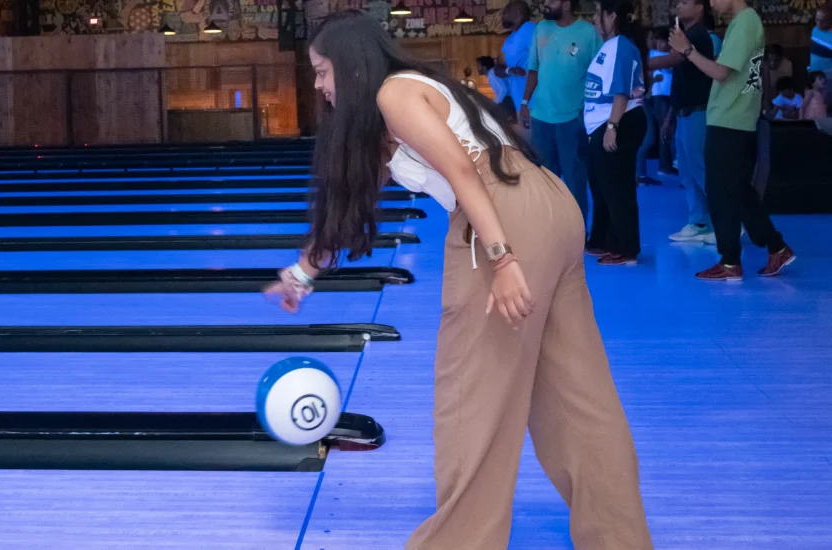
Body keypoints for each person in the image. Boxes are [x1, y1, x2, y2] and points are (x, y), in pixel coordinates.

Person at [265, 9, 653, 549]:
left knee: (471, 403)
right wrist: (301, 274)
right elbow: (355, 207)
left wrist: (502, 258)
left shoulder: (393, 95)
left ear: (351, 68)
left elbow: (461, 171)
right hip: (551, 208)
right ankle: (620, 539)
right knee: (576, 402)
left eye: (322, 70)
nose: (318, 84)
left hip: (502, 222)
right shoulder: (407, 102)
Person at [669, 0, 796, 280]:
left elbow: (722, 72)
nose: (711, 2)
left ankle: (731, 261)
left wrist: (687, 50)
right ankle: (773, 247)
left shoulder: (746, 22)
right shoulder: (743, 23)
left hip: (730, 118)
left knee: (721, 191)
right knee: (735, 189)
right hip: (730, 116)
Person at [520, 0, 603, 222]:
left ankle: (578, 233)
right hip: (541, 117)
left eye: (551, 0)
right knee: (545, 181)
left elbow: (599, 74)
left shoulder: (588, 32)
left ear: (566, 3)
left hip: (573, 119)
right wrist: (524, 102)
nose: (545, 4)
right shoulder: (541, 28)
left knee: (575, 182)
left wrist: (590, 113)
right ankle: (550, 232)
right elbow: (533, 69)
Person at [584, 0, 648, 265]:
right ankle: (608, 241)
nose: (594, 18)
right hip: (603, 124)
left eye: (599, 13)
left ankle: (626, 248)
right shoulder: (609, 46)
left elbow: (620, 91)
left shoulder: (620, 46)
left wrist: (612, 127)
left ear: (611, 17)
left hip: (618, 121)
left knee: (617, 188)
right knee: (604, 187)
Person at [648, 0, 717, 244]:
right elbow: (678, 80)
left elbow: (672, 60)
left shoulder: (697, 35)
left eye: (685, 2)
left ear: (700, 7)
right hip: (683, 112)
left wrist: (636, 62)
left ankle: (726, 223)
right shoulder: (686, 34)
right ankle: (699, 221)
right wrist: (670, 118)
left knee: (702, 169)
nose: (678, 5)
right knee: (687, 172)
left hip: (698, 111)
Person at [636, 27, 675, 185]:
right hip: (653, 99)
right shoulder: (653, 56)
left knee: (655, 135)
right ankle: (646, 171)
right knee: (656, 135)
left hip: (652, 99)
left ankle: (646, 171)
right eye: (654, 39)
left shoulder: (651, 56)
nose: (656, 43)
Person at [499, 0, 536, 114]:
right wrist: (510, 70)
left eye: (508, 12)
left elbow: (541, 60)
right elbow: (498, 68)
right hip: (519, 97)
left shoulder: (529, 29)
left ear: (519, 14)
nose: (504, 16)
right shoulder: (511, 38)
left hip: (533, 98)